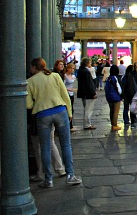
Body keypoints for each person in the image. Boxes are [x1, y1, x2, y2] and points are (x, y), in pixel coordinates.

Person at [26, 57, 82, 188]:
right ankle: (70, 175)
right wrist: (69, 113)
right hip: (60, 110)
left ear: (34, 67)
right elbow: (65, 95)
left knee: (44, 147)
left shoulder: (29, 82)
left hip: (42, 114)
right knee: (66, 145)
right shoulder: (55, 76)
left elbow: (28, 105)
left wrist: (38, 103)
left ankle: (48, 179)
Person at [77, 58, 97, 130]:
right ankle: (87, 124)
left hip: (83, 93)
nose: (90, 64)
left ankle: (87, 124)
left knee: (86, 108)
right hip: (88, 94)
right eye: (90, 63)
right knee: (88, 109)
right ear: (87, 63)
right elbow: (89, 83)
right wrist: (93, 93)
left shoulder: (80, 70)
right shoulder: (86, 71)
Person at [105, 65, 123, 131]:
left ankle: (112, 124)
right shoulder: (115, 78)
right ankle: (115, 125)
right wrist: (121, 95)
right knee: (116, 111)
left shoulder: (108, 78)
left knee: (111, 111)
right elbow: (119, 88)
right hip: (116, 97)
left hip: (109, 97)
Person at [63, 63, 77, 132]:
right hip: (67, 93)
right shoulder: (65, 76)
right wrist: (68, 89)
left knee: (71, 109)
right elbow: (62, 86)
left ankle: (70, 124)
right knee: (68, 108)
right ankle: (69, 125)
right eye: (71, 68)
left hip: (71, 94)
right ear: (67, 68)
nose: (72, 70)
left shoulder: (73, 76)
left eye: (73, 68)